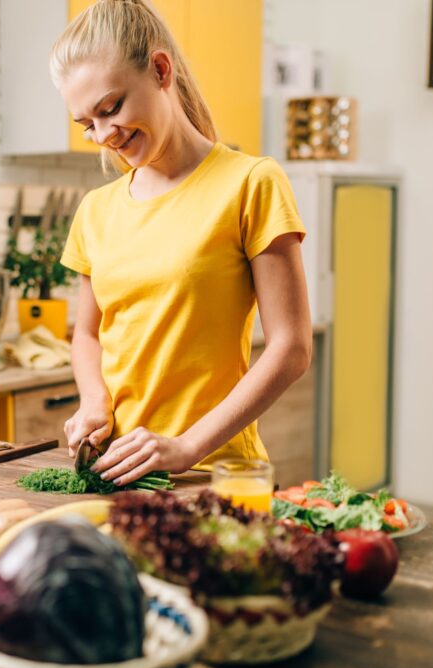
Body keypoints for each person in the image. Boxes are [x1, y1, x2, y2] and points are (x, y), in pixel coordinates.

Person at [51, 0, 312, 486]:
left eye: (110, 108)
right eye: (87, 124)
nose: (104, 134)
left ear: (160, 69)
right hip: (119, 471)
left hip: (213, 473)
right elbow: (87, 334)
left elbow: (292, 347)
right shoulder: (96, 209)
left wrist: (187, 446)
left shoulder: (251, 183)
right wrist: (94, 402)